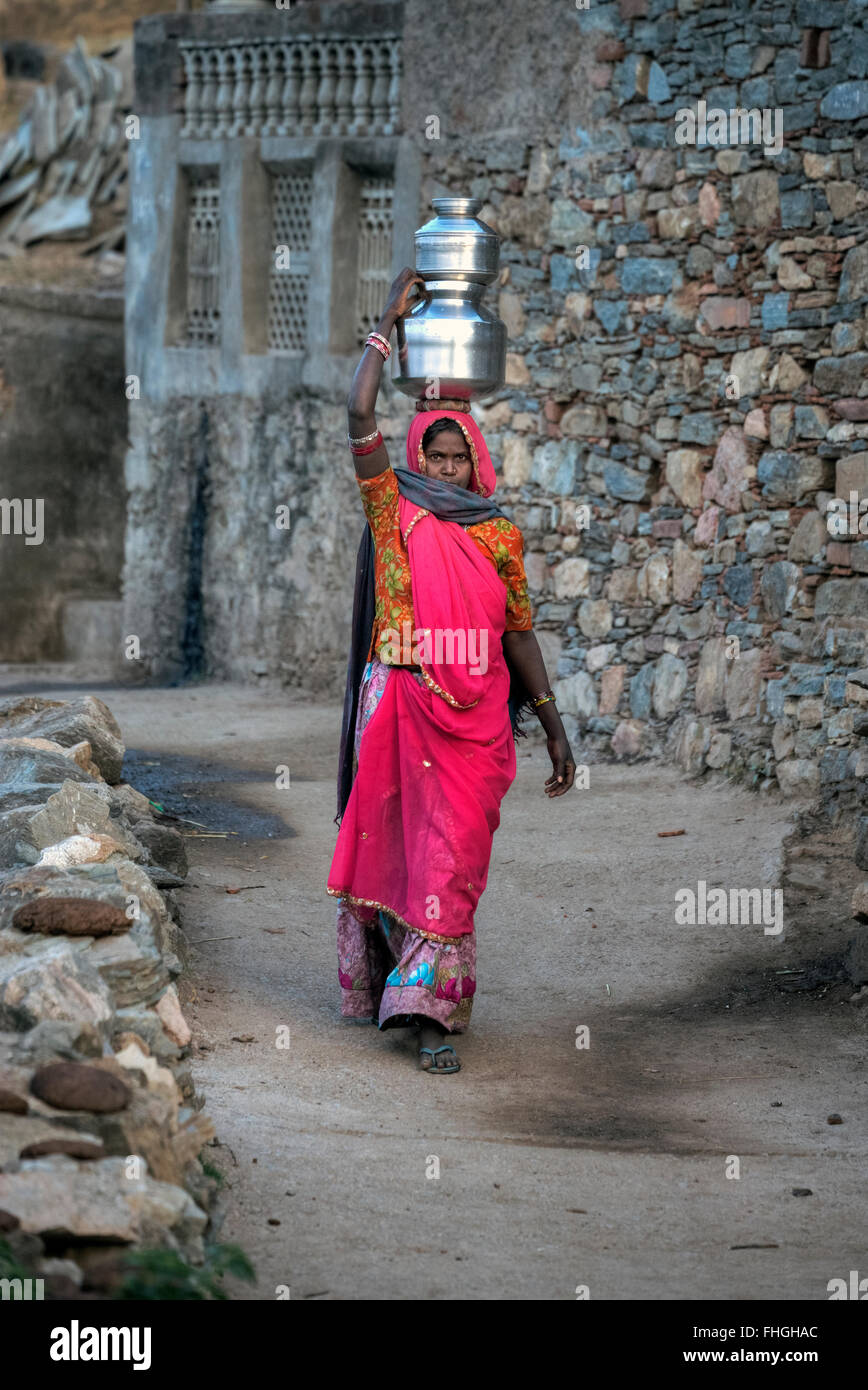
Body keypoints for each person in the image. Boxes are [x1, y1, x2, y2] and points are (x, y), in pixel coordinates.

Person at [328, 267, 576, 1074]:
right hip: (400, 699)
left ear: (478, 466)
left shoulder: (500, 536)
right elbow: (358, 412)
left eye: (456, 460)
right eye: (430, 456)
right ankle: (419, 1006)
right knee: (401, 846)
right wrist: (385, 326)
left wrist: (552, 722)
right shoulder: (392, 508)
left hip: (475, 722)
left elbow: (519, 634)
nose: (442, 470)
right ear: (415, 457)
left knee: (452, 856)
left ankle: (429, 1001)